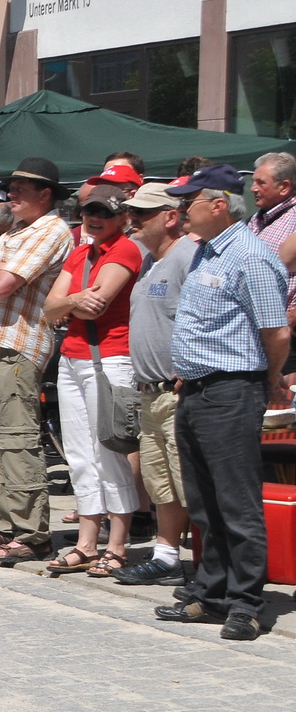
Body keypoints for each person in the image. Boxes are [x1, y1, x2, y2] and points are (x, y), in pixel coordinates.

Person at [155, 166, 290, 640]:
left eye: (188, 201)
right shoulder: (205, 253)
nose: (180, 210)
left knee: (237, 502)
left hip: (232, 390)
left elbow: (276, 332)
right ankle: (210, 594)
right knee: (205, 502)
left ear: (217, 205)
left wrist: (268, 380)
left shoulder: (250, 257)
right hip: (197, 389)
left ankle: (246, 603)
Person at [0, 156, 74, 567]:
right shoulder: (20, 230)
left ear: (46, 194)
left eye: (21, 189)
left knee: (19, 438)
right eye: (11, 187)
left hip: (20, 343)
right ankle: (7, 525)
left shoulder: (51, 230)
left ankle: (33, 533)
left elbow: (1, 286)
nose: (11, 195)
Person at [40, 184, 143, 578]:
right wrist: (72, 303)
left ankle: (117, 545)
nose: (94, 219)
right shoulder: (81, 252)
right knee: (79, 454)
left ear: (121, 218)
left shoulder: (125, 250)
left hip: (111, 359)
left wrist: (69, 302)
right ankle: (86, 542)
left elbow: (98, 303)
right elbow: (50, 309)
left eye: (103, 213)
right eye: (88, 212)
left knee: (109, 452)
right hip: (73, 359)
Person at [114, 182, 197, 586]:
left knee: (187, 481)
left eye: (142, 214)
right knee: (159, 479)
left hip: (176, 391)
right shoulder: (150, 261)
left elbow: (200, 317)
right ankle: (167, 556)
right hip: (150, 390)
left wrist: (189, 366)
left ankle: (206, 565)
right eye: (131, 212)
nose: (133, 220)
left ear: (170, 217)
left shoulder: (187, 256)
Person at [248, 151, 296, 338]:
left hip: (286, 336)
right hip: (255, 332)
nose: (252, 188)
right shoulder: (255, 220)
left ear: (284, 187)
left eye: (261, 183)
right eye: (253, 181)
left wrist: (291, 316)